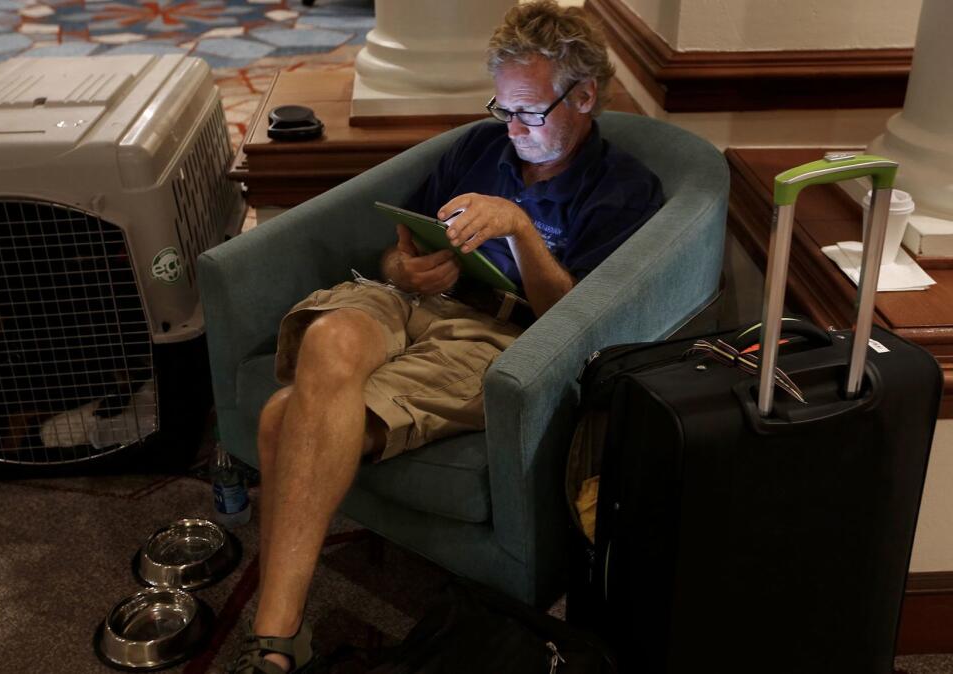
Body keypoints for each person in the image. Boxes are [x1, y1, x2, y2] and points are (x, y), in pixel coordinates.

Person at [231, 2, 663, 672]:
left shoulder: (622, 189)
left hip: (499, 336)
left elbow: (580, 319)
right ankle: (280, 635)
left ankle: (275, 638)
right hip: (411, 302)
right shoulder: (477, 148)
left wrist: (518, 227)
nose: (512, 129)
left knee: (287, 416)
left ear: (583, 96)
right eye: (504, 109)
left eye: (528, 113)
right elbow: (394, 253)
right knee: (330, 339)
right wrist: (404, 266)